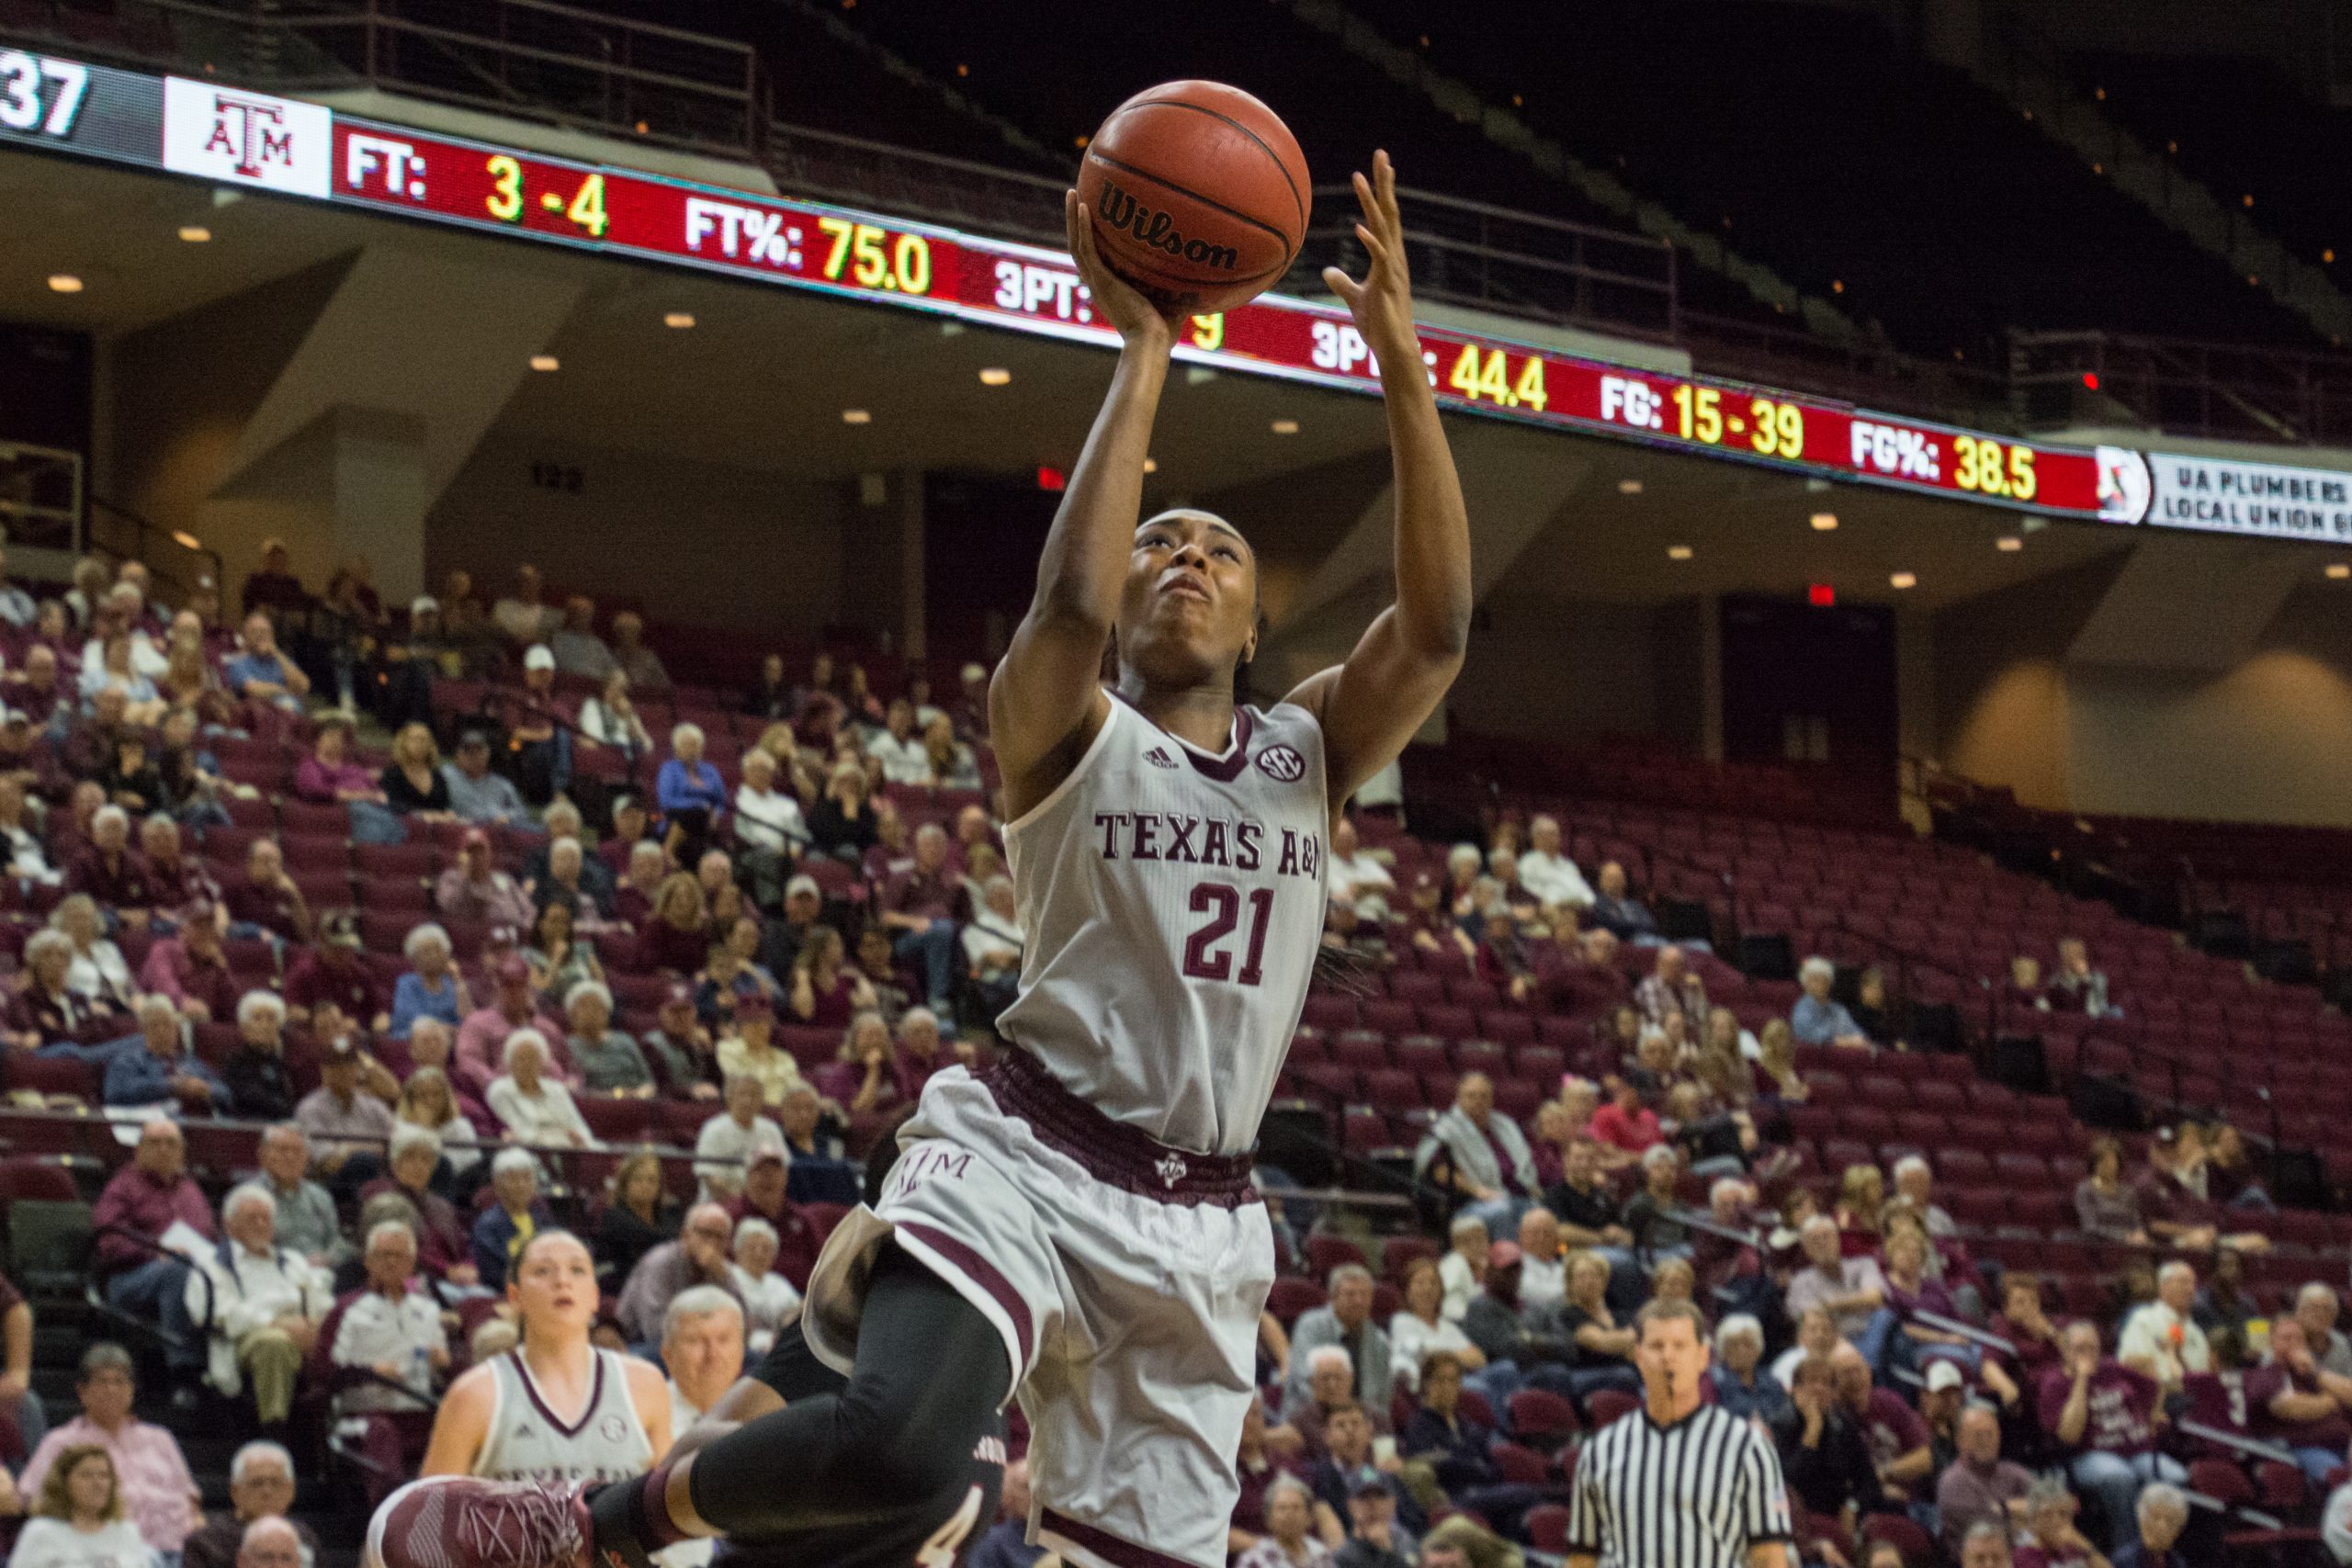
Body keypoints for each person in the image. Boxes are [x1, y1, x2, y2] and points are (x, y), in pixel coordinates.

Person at [371, 152, 1467, 1568]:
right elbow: (1068, 598)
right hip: (1028, 1152)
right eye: (1160, 546)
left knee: (889, 1496)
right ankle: (584, 1526)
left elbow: (1435, 632)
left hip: (1206, 1221)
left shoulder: (1304, 752)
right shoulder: (1062, 722)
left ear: (1261, 625)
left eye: (1219, 551)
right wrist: (1146, 346)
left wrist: (1402, 369)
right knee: (902, 1447)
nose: (1185, 558)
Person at [420, 1229, 671, 1478]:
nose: (563, 1281)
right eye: (543, 1270)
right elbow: (429, 1513)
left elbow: (666, 1510)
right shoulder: (472, 1395)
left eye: (577, 1270)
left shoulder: (645, 1384)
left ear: (595, 1297)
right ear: (515, 1297)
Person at [1566, 1299, 1792, 1567]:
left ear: (1703, 1357)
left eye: (1680, 1345)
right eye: (1656, 1346)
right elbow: (1583, 1557)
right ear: (1637, 1356)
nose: (1667, 1356)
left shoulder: (1748, 1446)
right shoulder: (1600, 1450)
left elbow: (1769, 1555)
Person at [19, 1346, 198, 1562]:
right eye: (102, 1381)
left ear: (132, 1390)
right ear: (82, 1391)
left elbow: (191, 1499)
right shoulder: (61, 1442)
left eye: (120, 1381)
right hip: (108, 1554)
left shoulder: (160, 1439)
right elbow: (34, 1502)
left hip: (179, 1549)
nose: (112, 1389)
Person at [186, 1185, 332, 1425]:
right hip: (243, 1341)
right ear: (229, 1225)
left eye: (266, 1218)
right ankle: (275, 1427)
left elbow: (321, 1301)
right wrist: (276, 1322)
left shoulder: (292, 1261)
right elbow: (215, 1315)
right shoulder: (211, 1264)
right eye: (253, 1218)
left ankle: (333, 1428)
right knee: (275, 1342)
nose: (262, 1224)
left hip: (302, 1333)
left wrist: (318, 1325)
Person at [2040, 1321, 2185, 1552]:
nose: (2089, 1355)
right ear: (2065, 1351)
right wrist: (2081, 1379)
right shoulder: (2054, 1382)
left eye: (2093, 1348)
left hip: (2137, 1450)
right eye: (2080, 1349)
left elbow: (2156, 1386)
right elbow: (2069, 1434)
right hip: (2088, 1455)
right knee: (2120, 1478)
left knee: (2175, 1478)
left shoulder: (2111, 1368)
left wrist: (2156, 1411)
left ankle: (2161, 1550)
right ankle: (2127, 1553)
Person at [91, 1122, 211, 1376]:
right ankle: (183, 1370)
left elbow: (211, 1234)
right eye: (154, 1143)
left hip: (194, 1269)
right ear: (139, 1149)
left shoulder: (191, 1190)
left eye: (171, 1144)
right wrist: (155, 1252)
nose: (163, 1149)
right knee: (176, 1270)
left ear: (182, 1151)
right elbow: (109, 1240)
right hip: (131, 1277)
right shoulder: (122, 1187)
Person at [616, 1205, 743, 1349]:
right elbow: (654, 1328)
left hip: (701, 1344)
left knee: (753, 1359)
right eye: (706, 1234)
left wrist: (723, 1278)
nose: (712, 1243)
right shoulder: (660, 1262)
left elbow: (742, 1327)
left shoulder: (722, 1270)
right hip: (642, 1344)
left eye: (720, 1237)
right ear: (685, 1235)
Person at [179, 1444, 321, 1568]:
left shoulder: (304, 1537)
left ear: (291, 1491)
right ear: (235, 1492)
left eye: (276, 1483)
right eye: (257, 1483)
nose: (267, 1492)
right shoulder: (206, 1543)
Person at [10, 1445, 151, 1568]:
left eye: (104, 1475)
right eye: (86, 1475)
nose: (98, 1484)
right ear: (63, 1483)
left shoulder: (127, 1532)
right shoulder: (40, 1532)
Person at [1286, 1267, 1395, 1421]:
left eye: (1364, 1294)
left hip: (1359, 1420)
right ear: (1333, 1298)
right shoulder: (1310, 1325)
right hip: (1311, 1416)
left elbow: (1383, 1395)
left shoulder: (1379, 1340)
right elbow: (1304, 1382)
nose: (1358, 1301)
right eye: (1350, 1294)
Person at [1937, 1401, 2032, 1561]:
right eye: (1978, 1435)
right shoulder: (1952, 1482)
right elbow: (1990, 1527)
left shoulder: (2013, 1472)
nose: (1985, 1441)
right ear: (1960, 1440)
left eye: (1990, 1434)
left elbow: (2052, 1504)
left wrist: (2003, 1508)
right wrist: (2019, 1511)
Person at [659, 1286, 746, 1453]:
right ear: (668, 1355)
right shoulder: (647, 1416)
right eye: (695, 1340)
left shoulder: (764, 1411)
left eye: (723, 1339)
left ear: (742, 1350)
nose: (712, 1354)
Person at [295, 1040, 397, 1173]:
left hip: (380, 1178)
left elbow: (398, 1147)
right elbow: (327, 1162)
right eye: (336, 1066)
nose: (344, 1072)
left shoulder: (374, 1106)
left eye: (350, 1065)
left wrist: (347, 1149)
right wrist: (369, 1150)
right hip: (335, 1183)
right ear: (324, 1070)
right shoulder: (310, 1109)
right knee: (364, 1160)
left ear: (358, 1069)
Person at [486, 1030, 595, 1148]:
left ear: (542, 1062)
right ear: (510, 1063)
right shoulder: (500, 1091)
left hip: (570, 1150)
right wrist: (559, 1140)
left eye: (532, 1058)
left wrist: (581, 1139)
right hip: (528, 1151)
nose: (526, 1064)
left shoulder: (556, 1089)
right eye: (521, 1059)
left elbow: (578, 1125)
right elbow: (520, 1131)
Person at [2117, 1261, 2209, 1394]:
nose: (2190, 1290)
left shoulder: (2196, 1331)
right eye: (2183, 1282)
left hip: (2194, 1396)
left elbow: (2202, 1375)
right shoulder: (2143, 1320)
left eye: (2193, 1284)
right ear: (2163, 1286)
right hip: (2157, 1398)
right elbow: (2133, 1365)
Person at [470, 1150, 554, 1292]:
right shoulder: (487, 1225)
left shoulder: (542, 1218)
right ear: (497, 1185)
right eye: (513, 1179)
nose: (521, 1185)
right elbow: (494, 1275)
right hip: (503, 1292)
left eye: (527, 1178)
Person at [693, 1077, 787, 1202]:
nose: (747, 1100)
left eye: (753, 1095)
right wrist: (745, 1203)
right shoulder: (713, 1129)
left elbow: (783, 1170)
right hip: (720, 1205)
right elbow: (710, 1178)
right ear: (729, 1098)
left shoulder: (771, 1129)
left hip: (763, 1203)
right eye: (742, 1094)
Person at [729, 1219, 802, 1356]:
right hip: (742, 1349)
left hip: (778, 1348)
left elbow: (795, 1313)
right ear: (737, 1250)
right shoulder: (728, 1277)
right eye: (752, 1247)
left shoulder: (778, 1282)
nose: (759, 1254)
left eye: (766, 1249)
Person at [1709, 1314, 1792, 1425]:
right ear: (1723, 1350)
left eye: (1747, 1344)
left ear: (1758, 1349)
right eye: (1734, 1345)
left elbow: (1785, 1421)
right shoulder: (1714, 1382)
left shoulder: (1773, 1384)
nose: (1741, 1350)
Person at [1235, 1475, 1332, 1568]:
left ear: (1309, 1517)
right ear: (1268, 1518)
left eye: (1296, 1507)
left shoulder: (1320, 1554)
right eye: (1282, 1508)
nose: (1289, 1514)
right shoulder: (1254, 1561)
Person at [443, 732, 532, 828]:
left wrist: (507, 816)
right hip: (459, 829)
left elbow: (522, 813)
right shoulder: (446, 776)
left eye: (479, 751)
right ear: (457, 755)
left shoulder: (502, 784)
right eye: (468, 751)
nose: (474, 756)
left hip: (495, 830)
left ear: (488, 754)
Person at [1792, 956, 1867, 1048]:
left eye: (1825, 980)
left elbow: (1857, 1033)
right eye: (1815, 980)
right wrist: (1845, 1042)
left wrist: (1859, 1040)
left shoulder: (1838, 1009)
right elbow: (1814, 1038)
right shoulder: (1802, 1011)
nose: (1821, 984)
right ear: (1805, 983)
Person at [2109, 1483, 2188, 1568]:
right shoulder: (2122, 1562)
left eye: (2170, 1521)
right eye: (2155, 1516)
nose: (2161, 1526)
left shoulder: (2178, 1563)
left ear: (2179, 1530)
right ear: (2141, 1519)